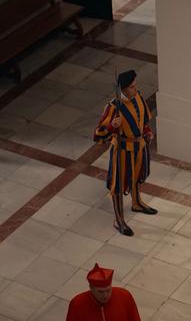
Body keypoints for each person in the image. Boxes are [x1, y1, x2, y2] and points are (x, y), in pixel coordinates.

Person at [93, 70, 157, 237]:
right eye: (132, 87)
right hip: (122, 151)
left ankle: (137, 202)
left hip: (140, 147)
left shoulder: (139, 97)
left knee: (137, 176)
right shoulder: (113, 107)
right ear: (124, 89)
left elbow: (144, 121)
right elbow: (98, 134)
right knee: (118, 185)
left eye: (136, 86)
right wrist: (113, 126)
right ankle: (119, 219)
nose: (136, 89)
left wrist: (147, 131)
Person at [66, 263, 141, 321]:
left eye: (108, 290)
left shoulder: (124, 296)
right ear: (91, 288)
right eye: (100, 292)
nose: (105, 295)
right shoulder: (77, 304)